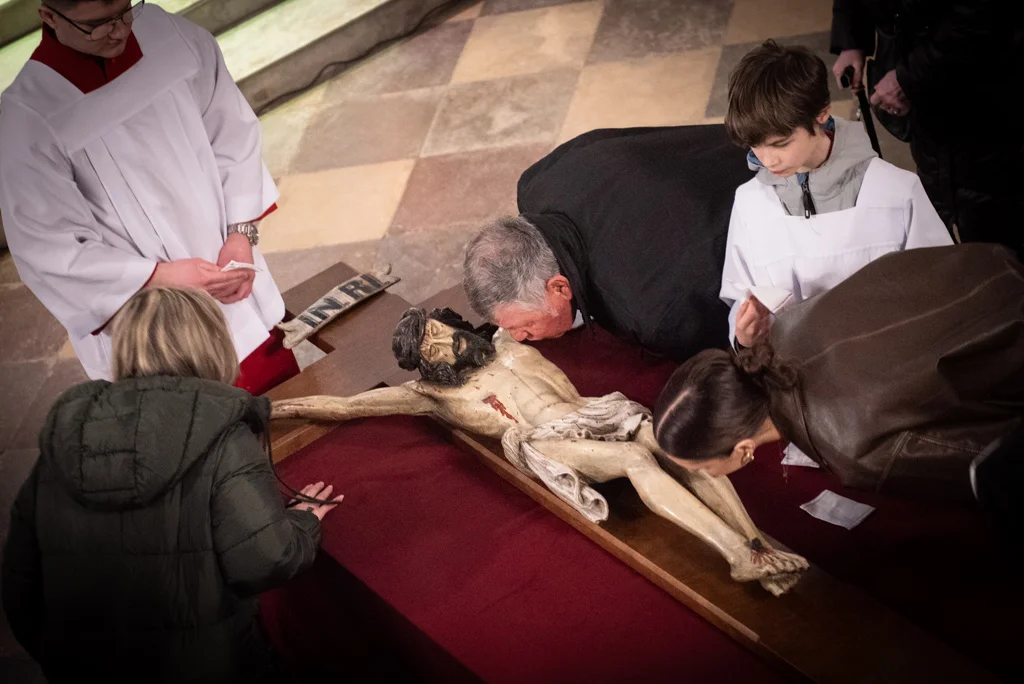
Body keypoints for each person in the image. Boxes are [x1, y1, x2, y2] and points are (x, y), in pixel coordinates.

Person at [272, 307, 809, 597]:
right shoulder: (430, 395)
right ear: (425, 363)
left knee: (663, 439)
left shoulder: (504, 341)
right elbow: (344, 406)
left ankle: (756, 539)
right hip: (547, 442)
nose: (450, 347)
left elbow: (543, 297)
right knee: (635, 460)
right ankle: (738, 555)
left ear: (455, 324)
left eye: (446, 334)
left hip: (593, 412)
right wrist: (274, 410)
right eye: (435, 349)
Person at [1, 287, 343, 683]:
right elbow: (266, 558)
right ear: (213, 343)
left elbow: (19, 585)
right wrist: (303, 524)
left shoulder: (64, 438)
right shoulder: (223, 434)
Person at [0, 0, 295, 394]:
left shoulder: (169, 36)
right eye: (97, 25)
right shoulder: (26, 117)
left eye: (124, 10)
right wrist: (161, 277)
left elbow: (232, 134)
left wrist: (241, 234)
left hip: (235, 286)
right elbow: (51, 248)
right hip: (152, 326)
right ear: (49, 17)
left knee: (293, 415)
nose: (120, 30)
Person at [653, 243, 1024, 502]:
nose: (706, 477)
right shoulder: (787, 326)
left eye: (703, 468)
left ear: (744, 451)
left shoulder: (853, 452)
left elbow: (994, 460)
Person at [720, 39, 951, 349]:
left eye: (780, 144)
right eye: (754, 146)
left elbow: (942, 296)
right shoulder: (750, 204)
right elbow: (741, 296)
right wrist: (744, 335)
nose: (767, 160)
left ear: (821, 113)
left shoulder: (897, 194)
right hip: (793, 379)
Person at [463, 124, 754, 361]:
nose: (519, 337)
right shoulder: (537, 181)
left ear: (559, 287)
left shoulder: (650, 316)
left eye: (524, 326)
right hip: (741, 141)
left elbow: (739, 340)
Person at [830, 0, 1024, 259]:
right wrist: (852, 38)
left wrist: (910, 76)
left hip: (989, 84)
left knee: (993, 209)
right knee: (939, 194)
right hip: (923, 79)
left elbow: (980, 16)